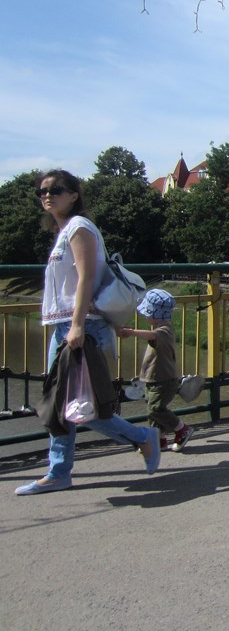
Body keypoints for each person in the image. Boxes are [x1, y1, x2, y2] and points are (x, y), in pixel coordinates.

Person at [15, 170, 161, 496]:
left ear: (74, 194)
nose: (47, 195)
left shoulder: (80, 228)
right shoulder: (65, 230)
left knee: (78, 406)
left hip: (81, 325)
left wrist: (78, 324)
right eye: (42, 191)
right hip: (65, 326)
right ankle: (59, 471)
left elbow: (85, 278)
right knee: (64, 404)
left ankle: (141, 438)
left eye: (56, 189)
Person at [118, 289, 195, 452]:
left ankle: (182, 428)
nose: (145, 317)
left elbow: (153, 336)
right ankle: (157, 440)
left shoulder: (164, 330)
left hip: (164, 381)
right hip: (153, 380)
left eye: (147, 313)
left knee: (156, 409)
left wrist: (131, 332)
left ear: (156, 314)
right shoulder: (160, 329)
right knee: (152, 411)